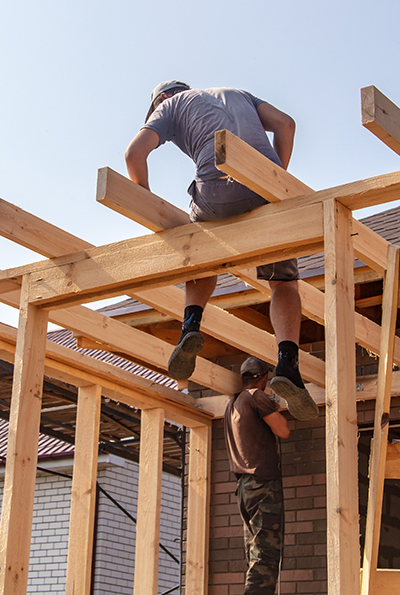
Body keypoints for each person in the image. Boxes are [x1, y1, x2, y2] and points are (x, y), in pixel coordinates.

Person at [125, 81, 318, 420]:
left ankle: (190, 326)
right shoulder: (239, 93)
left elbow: (133, 154)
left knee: (200, 250)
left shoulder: (170, 106)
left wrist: (145, 202)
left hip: (217, 193)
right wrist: (274, 178)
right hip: (267, 189)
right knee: (284, 282)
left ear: (163, 99)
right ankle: (288, 362)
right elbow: (287, 124)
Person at [224, 356, 290, 594]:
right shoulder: (255, 396)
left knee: (255, 551)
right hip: (262, 483)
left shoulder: (231, 405)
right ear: (263, 378)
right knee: (266, 553)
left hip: (244, 488)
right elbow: (283, 429)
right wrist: (275, 406)